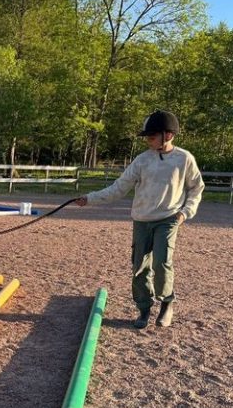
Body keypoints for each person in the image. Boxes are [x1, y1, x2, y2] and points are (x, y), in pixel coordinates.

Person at [75, 110, 205, 329]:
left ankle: (166, 302)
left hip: (168, 218)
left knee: (161, 262)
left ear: (168, 135)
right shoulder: (142, 161)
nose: (148, 141)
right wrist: (89, 199)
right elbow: (119, 188)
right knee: (139, 266)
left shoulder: (184, 159)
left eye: (152, 137)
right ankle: (144, 308)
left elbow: (196, 188)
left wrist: (185, 212)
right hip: (142, 220)